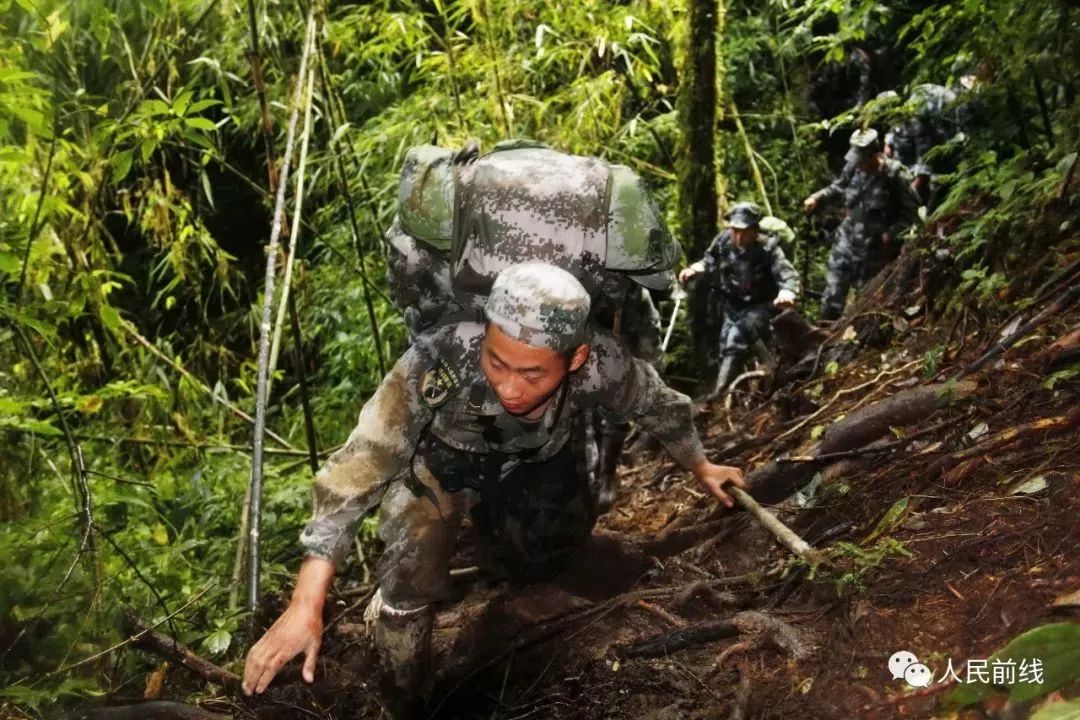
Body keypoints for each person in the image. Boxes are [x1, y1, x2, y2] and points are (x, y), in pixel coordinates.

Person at [241, 262, 745, 716]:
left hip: (537, 466)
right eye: (496, 362)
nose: (508, 387)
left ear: (574, 359)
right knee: (410, 569)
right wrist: (306, 603)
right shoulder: (440, 356)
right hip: (443, 467)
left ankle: (505, 566)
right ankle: (406, 699)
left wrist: (703, 468)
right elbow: (362, 462)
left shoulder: (601, 365)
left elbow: (657, 404)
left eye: (531, 374)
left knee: (544, 559)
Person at [678, 202, 799, 397]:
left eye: (744, 231)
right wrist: (694, 269)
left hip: (759, 307)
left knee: (735, 339)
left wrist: (787, 292)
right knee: (726, 345)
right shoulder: (723, 240)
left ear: (754, 230)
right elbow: (709, 260)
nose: (739, 237)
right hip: (731, 305)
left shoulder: (768, 249)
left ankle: (718, 396)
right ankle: (741, 390)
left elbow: (788, 275)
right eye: (735, 231)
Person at [803, 129, 921, 321]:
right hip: (847, 241)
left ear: (874, 155)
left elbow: (912, 211)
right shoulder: (853, 167)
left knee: (867, 302)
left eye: (862, 160)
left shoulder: (894, 174)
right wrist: (817, 198)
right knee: (832, 295)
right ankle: (823, 334)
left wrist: (891, 234)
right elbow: (838, 187)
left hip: (874, 250)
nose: (859, 164)